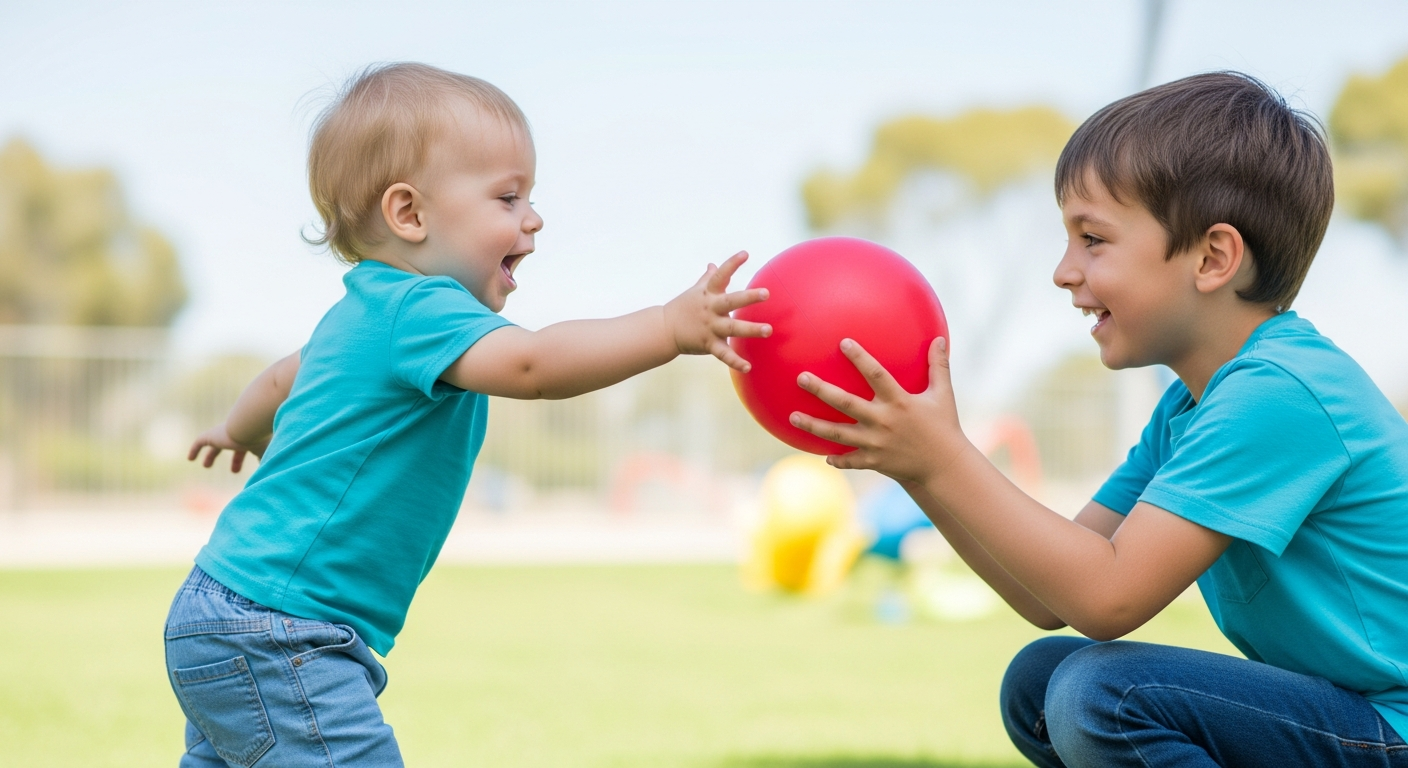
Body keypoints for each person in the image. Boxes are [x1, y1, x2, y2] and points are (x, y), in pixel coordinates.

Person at [789, 72, 1408, 766]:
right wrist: (922, 467)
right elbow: (1044, 594)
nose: (1063, 271)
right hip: (1353, 718)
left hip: (1393, 726)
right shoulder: (1190, 411)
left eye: (1092, 239)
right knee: (1040, 680)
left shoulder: (1282, 394)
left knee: (1101, 694)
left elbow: (1107, 597)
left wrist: (944, 457)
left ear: (1212, 258)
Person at [167, 62, 768, 766]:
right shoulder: (420, 309)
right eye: (508, 197)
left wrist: (234, 431)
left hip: (219, 609)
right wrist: (668, 327)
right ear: (410, 214)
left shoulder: (358, 314)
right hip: (282, 630)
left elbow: (276, 382)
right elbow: (535, 365)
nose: (534, 218)